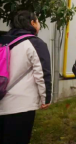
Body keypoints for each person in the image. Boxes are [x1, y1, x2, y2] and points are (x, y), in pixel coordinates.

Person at [0, 11, 52, 144]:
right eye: (38, 21)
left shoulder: (3, 40)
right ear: (32, 23)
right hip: (21, 105)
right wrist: (45, 98)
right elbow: (42, 73)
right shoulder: (35, 43)